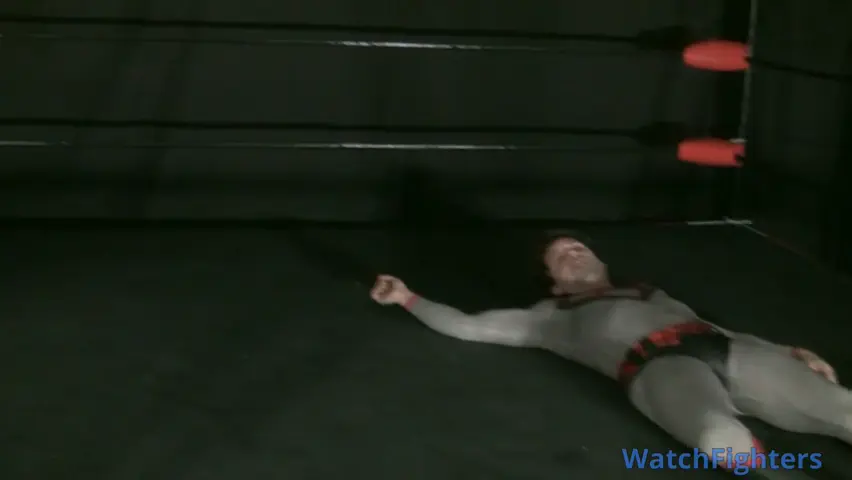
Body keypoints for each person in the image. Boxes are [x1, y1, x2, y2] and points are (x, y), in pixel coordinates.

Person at [369, 235, 850, 474]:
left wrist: (786, 350)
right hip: (661, 368)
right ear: (554, 283)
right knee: (717, 437)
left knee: (844, 407)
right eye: (561, 256)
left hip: (727, 348)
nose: (573, 253)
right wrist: (407, 298)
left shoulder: (651, 292)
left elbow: (718, 329)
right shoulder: (550, 318)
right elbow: (466, 325)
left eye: (578, 246)